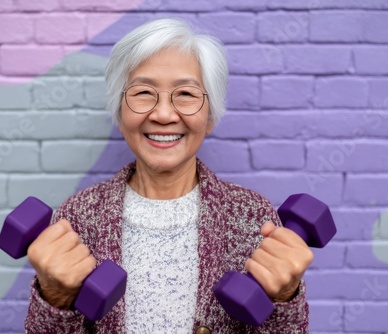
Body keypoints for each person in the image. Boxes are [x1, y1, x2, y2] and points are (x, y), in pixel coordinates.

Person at [24, 18, 313, 334]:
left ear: (210, 117)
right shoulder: (76, 219)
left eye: (186, 94)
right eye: (144, 92)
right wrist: (55, 298)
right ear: (120, 113)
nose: (163, 114)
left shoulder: (254, 217)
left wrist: (285, 298)